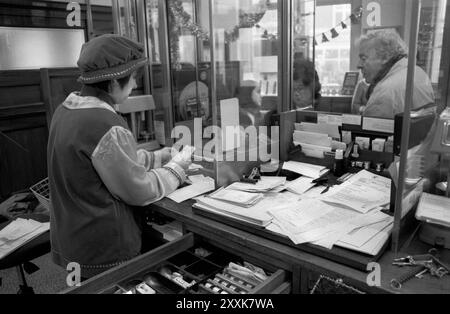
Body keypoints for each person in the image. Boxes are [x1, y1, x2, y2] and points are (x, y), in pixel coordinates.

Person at [47, 34, 192, 279]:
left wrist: (158, 158)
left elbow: (108, 161)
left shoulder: (66, 111)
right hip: (104, 247)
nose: (134, 85)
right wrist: (177, 169)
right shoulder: (104, 123)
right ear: (114, 82)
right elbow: (139, 191)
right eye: (133, 78)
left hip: (74, 238)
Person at [356, 30, 434, 118]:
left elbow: (369, 129)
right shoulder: (418, 72)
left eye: (363, 58)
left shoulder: (383, 94)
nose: (358, 65)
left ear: (385, 57)